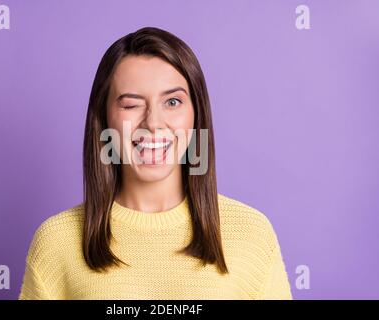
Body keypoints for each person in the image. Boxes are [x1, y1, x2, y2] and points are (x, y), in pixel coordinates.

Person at [19, 26, 292, 300]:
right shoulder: (56, 241)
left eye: (172, 102)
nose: (153, 123)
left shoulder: (252, 234)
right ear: (104, 119)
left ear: (196, 115)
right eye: (131, 104)